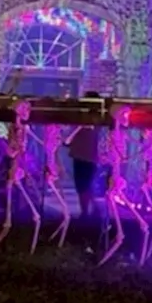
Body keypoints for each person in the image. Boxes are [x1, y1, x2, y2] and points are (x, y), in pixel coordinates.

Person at [65, 91, 102, 221]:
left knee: (86, 184)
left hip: (90, 156)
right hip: (79, 155)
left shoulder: (97, 119)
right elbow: (68, 139)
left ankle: (90, 210)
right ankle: (86, 211)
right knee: (81, 185)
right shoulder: (80, 118)